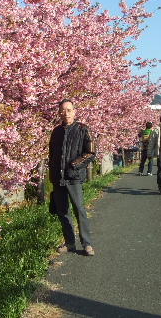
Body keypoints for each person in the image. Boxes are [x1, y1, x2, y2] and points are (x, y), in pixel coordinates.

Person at [49, 99, 96, 256]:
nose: (66, 113)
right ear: (59, 113)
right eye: (63, 110)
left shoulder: (83, 129)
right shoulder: (56, 132)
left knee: (79, 209)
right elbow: (52, 155)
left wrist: (74, 165)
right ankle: (70, 243)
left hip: (73, 177)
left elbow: (90, 153)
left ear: (74, 111)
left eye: (69, 110)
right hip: (58, 177)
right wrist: (53, 172)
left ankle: (87, 244)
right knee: (62, 211)